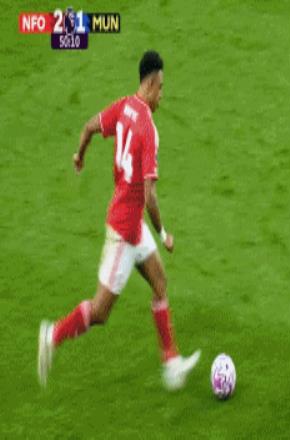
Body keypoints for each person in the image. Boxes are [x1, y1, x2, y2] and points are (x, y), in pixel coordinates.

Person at [38, 50, 200, 390]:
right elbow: (150, 196)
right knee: (100, 312)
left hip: (131, 224)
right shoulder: (149, 130)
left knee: (160, 283)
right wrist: (164, 233)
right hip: (124, 232)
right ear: (151, 83)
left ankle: (171, 364)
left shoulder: (124, 106)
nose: (162, 95)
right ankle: (52, 334)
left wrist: (79, 156)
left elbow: (89, 127)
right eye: (161, 87)